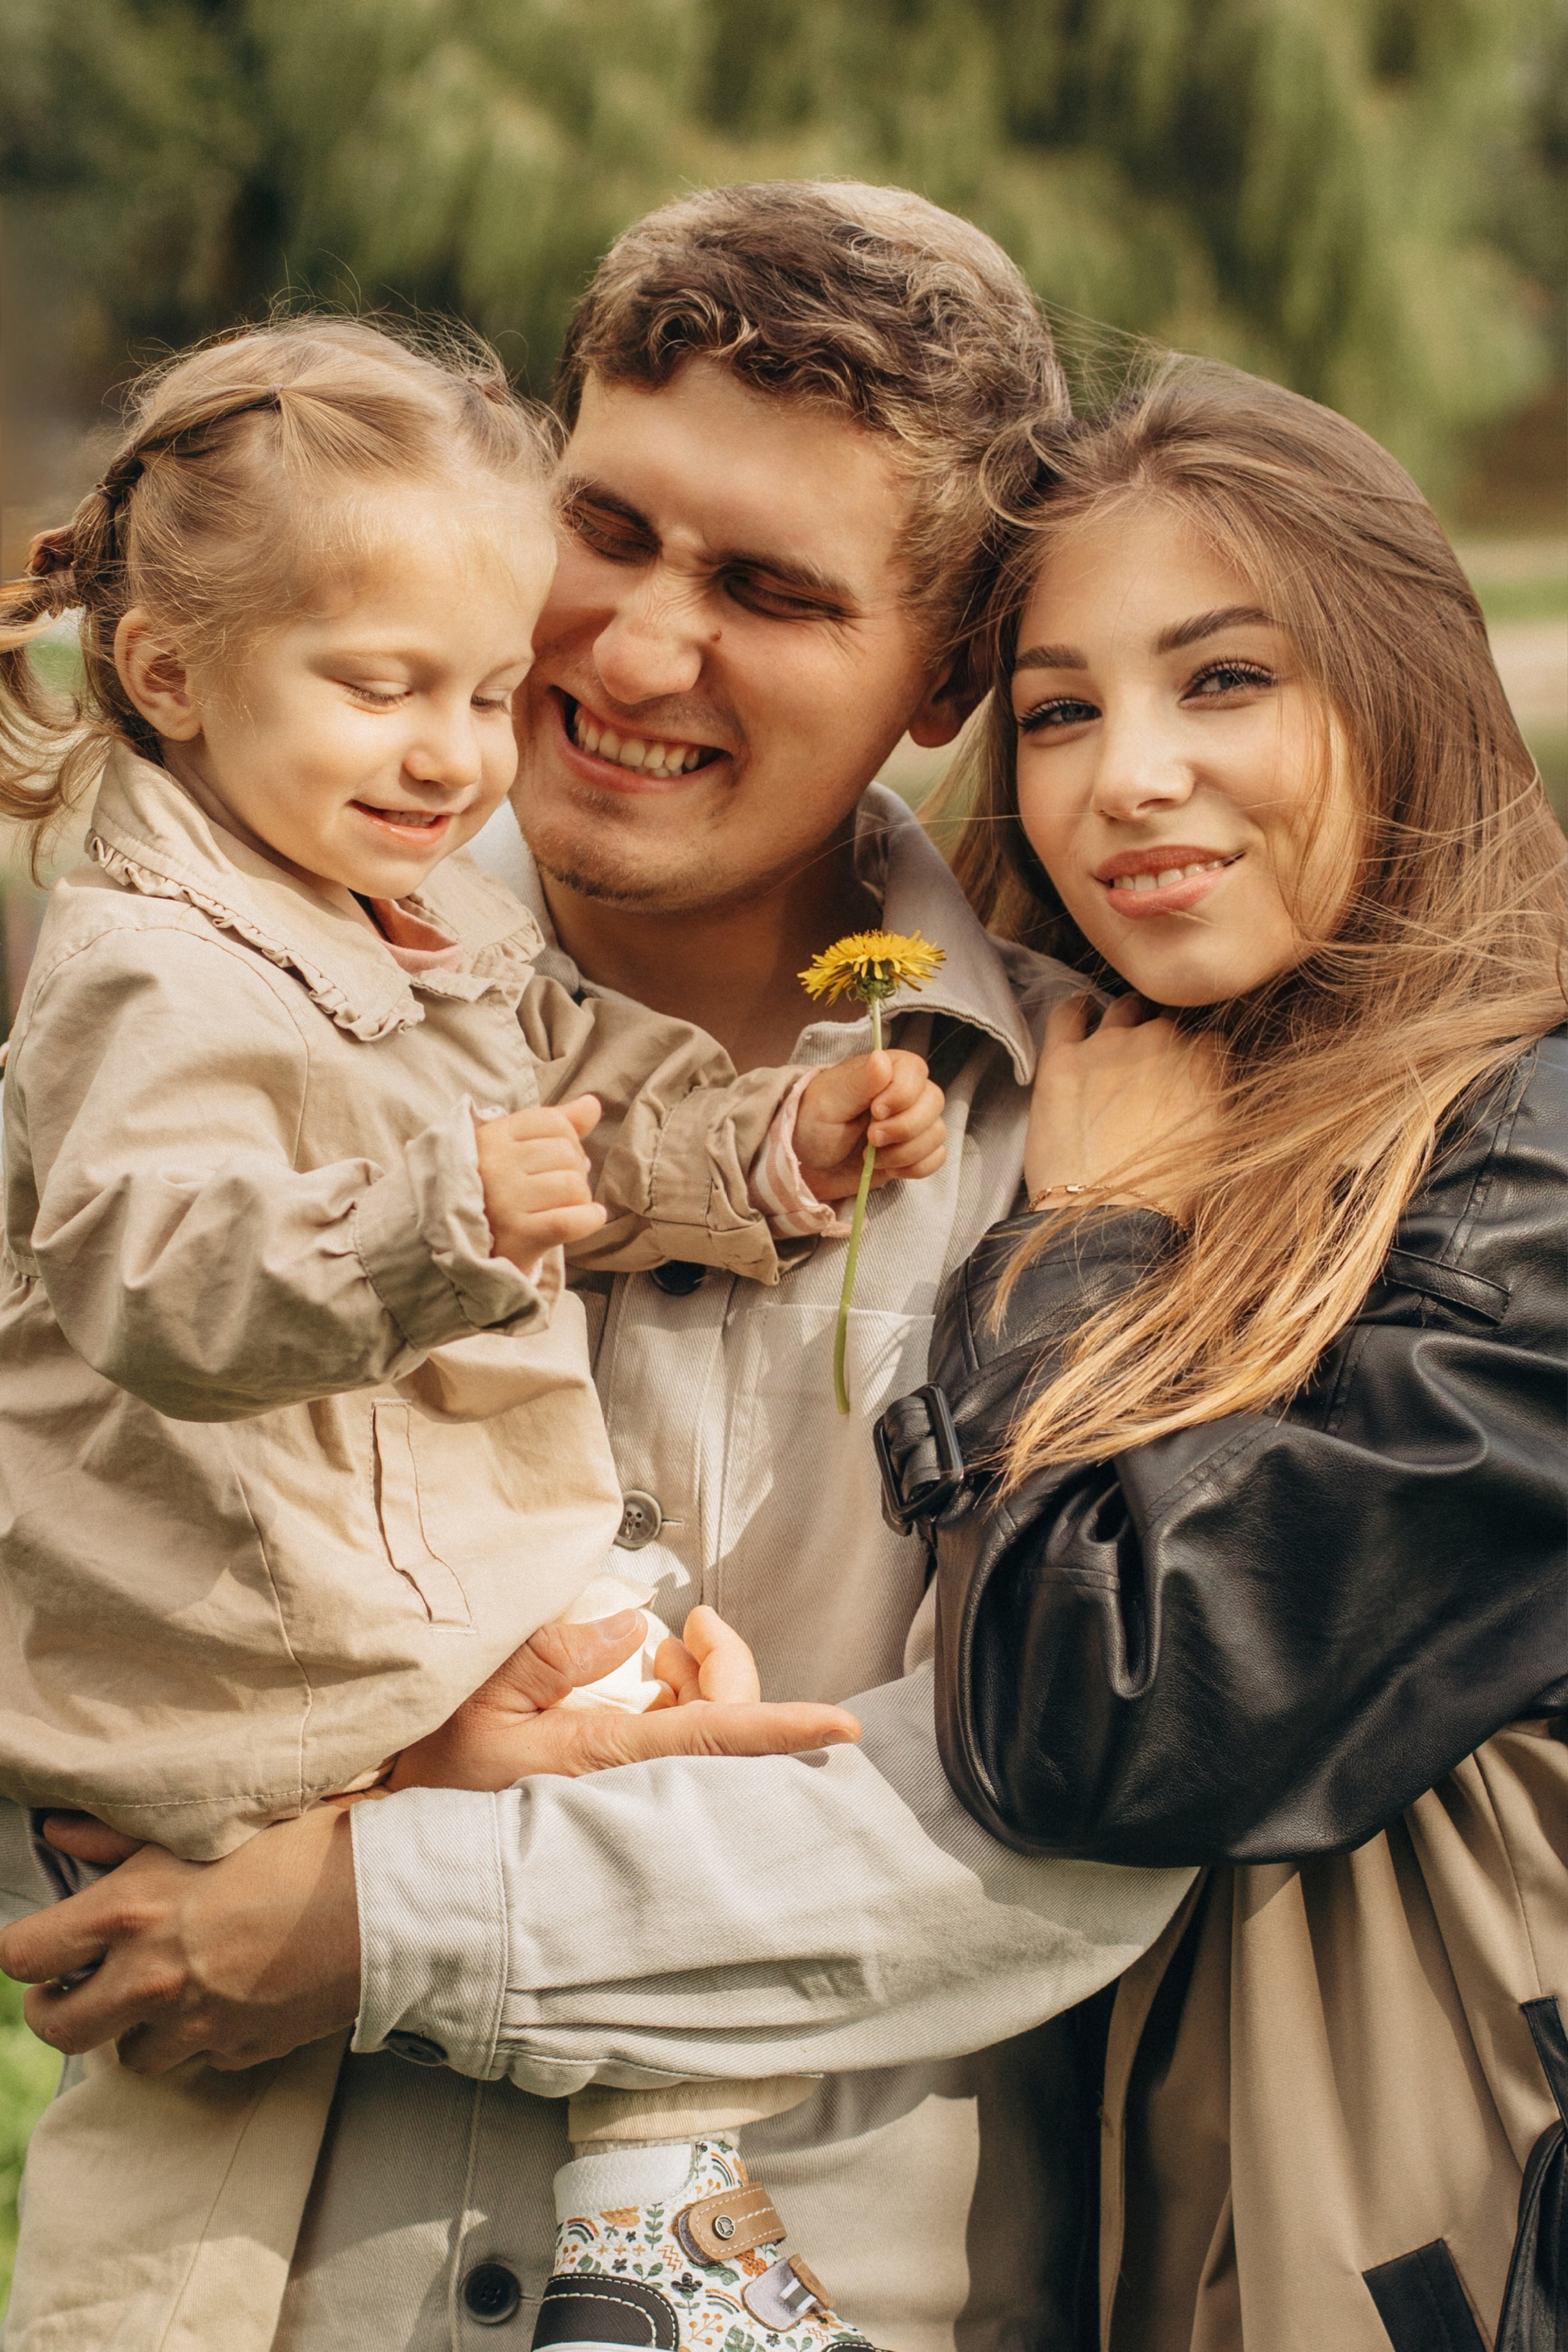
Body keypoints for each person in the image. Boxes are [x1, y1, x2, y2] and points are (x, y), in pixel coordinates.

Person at [0, 187, 1192, 2352]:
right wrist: (232, 1794)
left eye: (769, 591)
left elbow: (1055, 1826)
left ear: (939, 682)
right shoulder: (173, 989)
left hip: (826, 2294)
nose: (636, 652)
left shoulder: (1085, 1130)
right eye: (609, 533)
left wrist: (382, 1903)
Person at [875, 358, 1568, 2348]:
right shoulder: (1145, 1113)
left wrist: (1081, 1249)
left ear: (1405, 690)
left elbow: (1099, 1709)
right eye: (1063, 711)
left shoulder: (1525, 1180)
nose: (1128, 779)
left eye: (1226, 681)